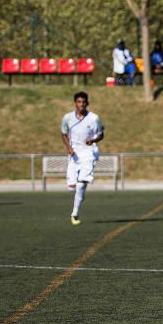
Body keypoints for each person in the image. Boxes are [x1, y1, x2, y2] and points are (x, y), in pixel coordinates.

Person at [60, 91, 104, 226]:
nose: (82, 105)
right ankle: (81, 193)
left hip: (89, 153)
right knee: (72, 188)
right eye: (79, 102)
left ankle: (74, 213)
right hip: (74, 154)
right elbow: (63, 134)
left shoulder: (94, 118)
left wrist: (93, 140)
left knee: (80, 184)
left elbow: (101, 135)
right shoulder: (67, 118)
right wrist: (69, 148)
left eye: (84, 102)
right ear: (75, 103)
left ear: (87, 103)